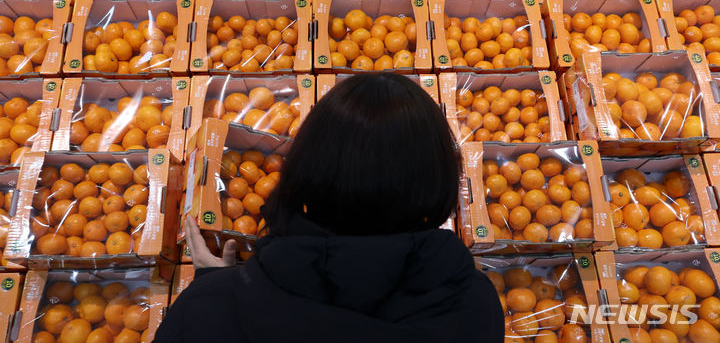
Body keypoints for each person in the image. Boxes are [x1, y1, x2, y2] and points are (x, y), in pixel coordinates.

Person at [154, 73, 504, 342]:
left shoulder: (205, 310)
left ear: (304, 168)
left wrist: (217, 285)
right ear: (441, 178)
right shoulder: (476, 307)